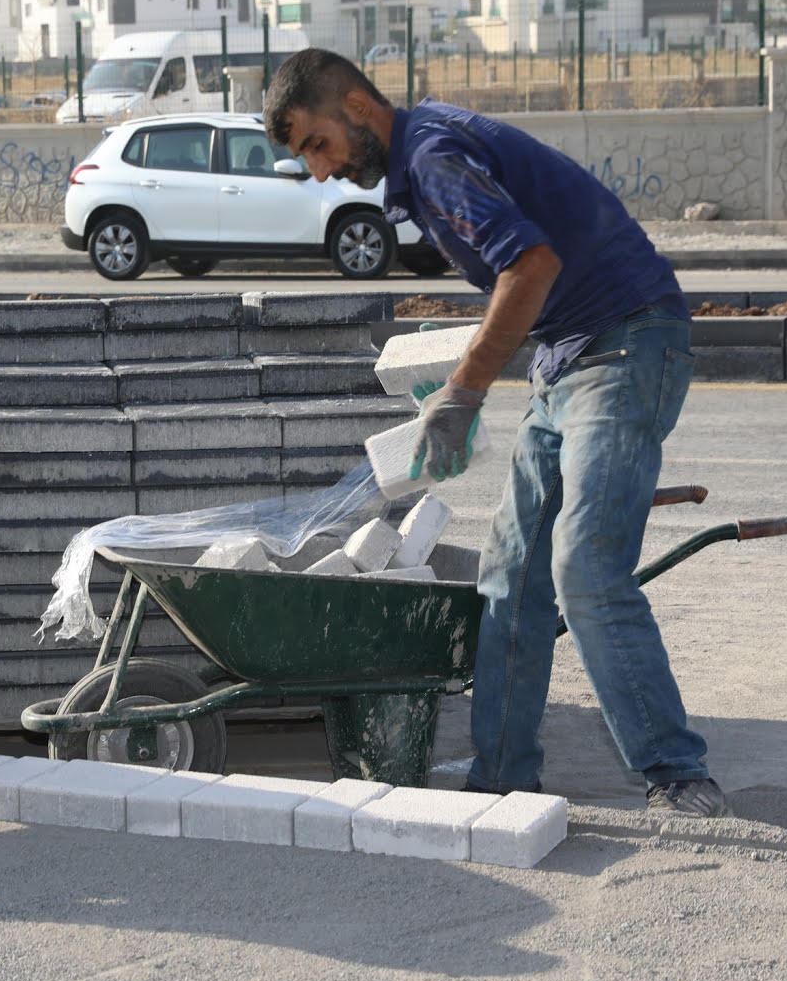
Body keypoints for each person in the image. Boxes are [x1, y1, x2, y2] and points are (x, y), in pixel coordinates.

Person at [264, 49, 728, 818]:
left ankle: (678, 774)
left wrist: (465, 389)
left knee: (585, 566)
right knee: (510, 577)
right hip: (569, 359)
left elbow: (531, 266)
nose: (319, 171)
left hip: (627, 343)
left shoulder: (433, 156)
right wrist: (461, 378)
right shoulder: (425, 153)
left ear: (355, 104)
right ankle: (503, 781)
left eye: (317, 143)